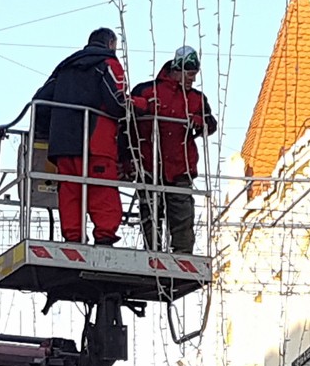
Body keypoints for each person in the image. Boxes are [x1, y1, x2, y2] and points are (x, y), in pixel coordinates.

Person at [32, 28, 128, 245]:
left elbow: (40, 102)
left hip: (63, 145)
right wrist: (136, 110)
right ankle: (104, 237)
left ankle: (73, 238)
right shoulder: (108, 64)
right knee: (102, 190)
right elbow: (118, 103)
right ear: (111, 44)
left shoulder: (64, 68)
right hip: (97, 142)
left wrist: (50, 131)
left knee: (70, 191)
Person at [127, 45, 216, 253]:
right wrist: (128, 159)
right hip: (149, 165)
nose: (192, 80)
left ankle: (183, 255)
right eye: (190, 74)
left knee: (183, 216)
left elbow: (211, 123)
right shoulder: (146, 91)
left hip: (179, 168)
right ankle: (153, 253)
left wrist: (200, 121)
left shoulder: (197, 99)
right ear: (178, 69)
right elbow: (128, 126)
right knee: (151, 214)